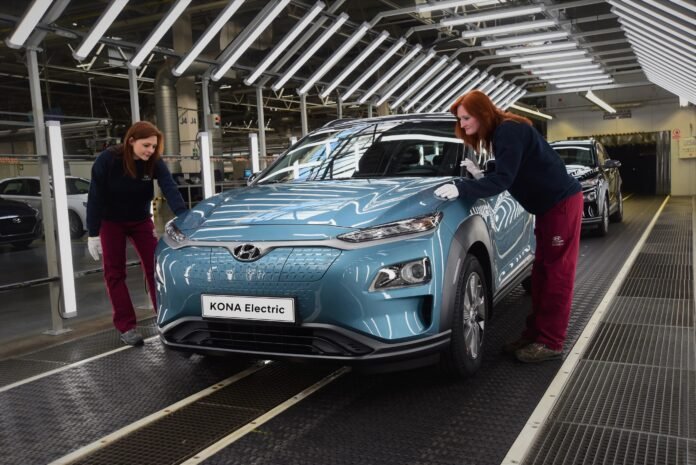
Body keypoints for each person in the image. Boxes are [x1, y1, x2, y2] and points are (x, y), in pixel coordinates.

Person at [434, 90, 583, 363]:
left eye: (466, 118)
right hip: (548, 207)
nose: (462, 125)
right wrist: (482, 175)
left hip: (560, 205)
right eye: (460, 120)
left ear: (482, 113)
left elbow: (504, 179)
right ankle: (534, 334)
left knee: (556, 276)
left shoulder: (507, 131)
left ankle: (551, 342)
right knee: (541, 275)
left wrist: (462, 188)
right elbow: (513, 168)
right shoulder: (501, 133)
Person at [86, 121, 187, 346]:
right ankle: (126, 326)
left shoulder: (153, 161)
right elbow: (95, 196)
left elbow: (169, 187)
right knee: (114, 273)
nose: (150, 150)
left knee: (156, 268)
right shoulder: (108, 160)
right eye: (146, 145)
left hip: (140, 220)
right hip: (111, 222)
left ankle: (165, 319)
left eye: (154, 146)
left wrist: (185, 218)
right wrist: (93, 232)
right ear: (131, 141)